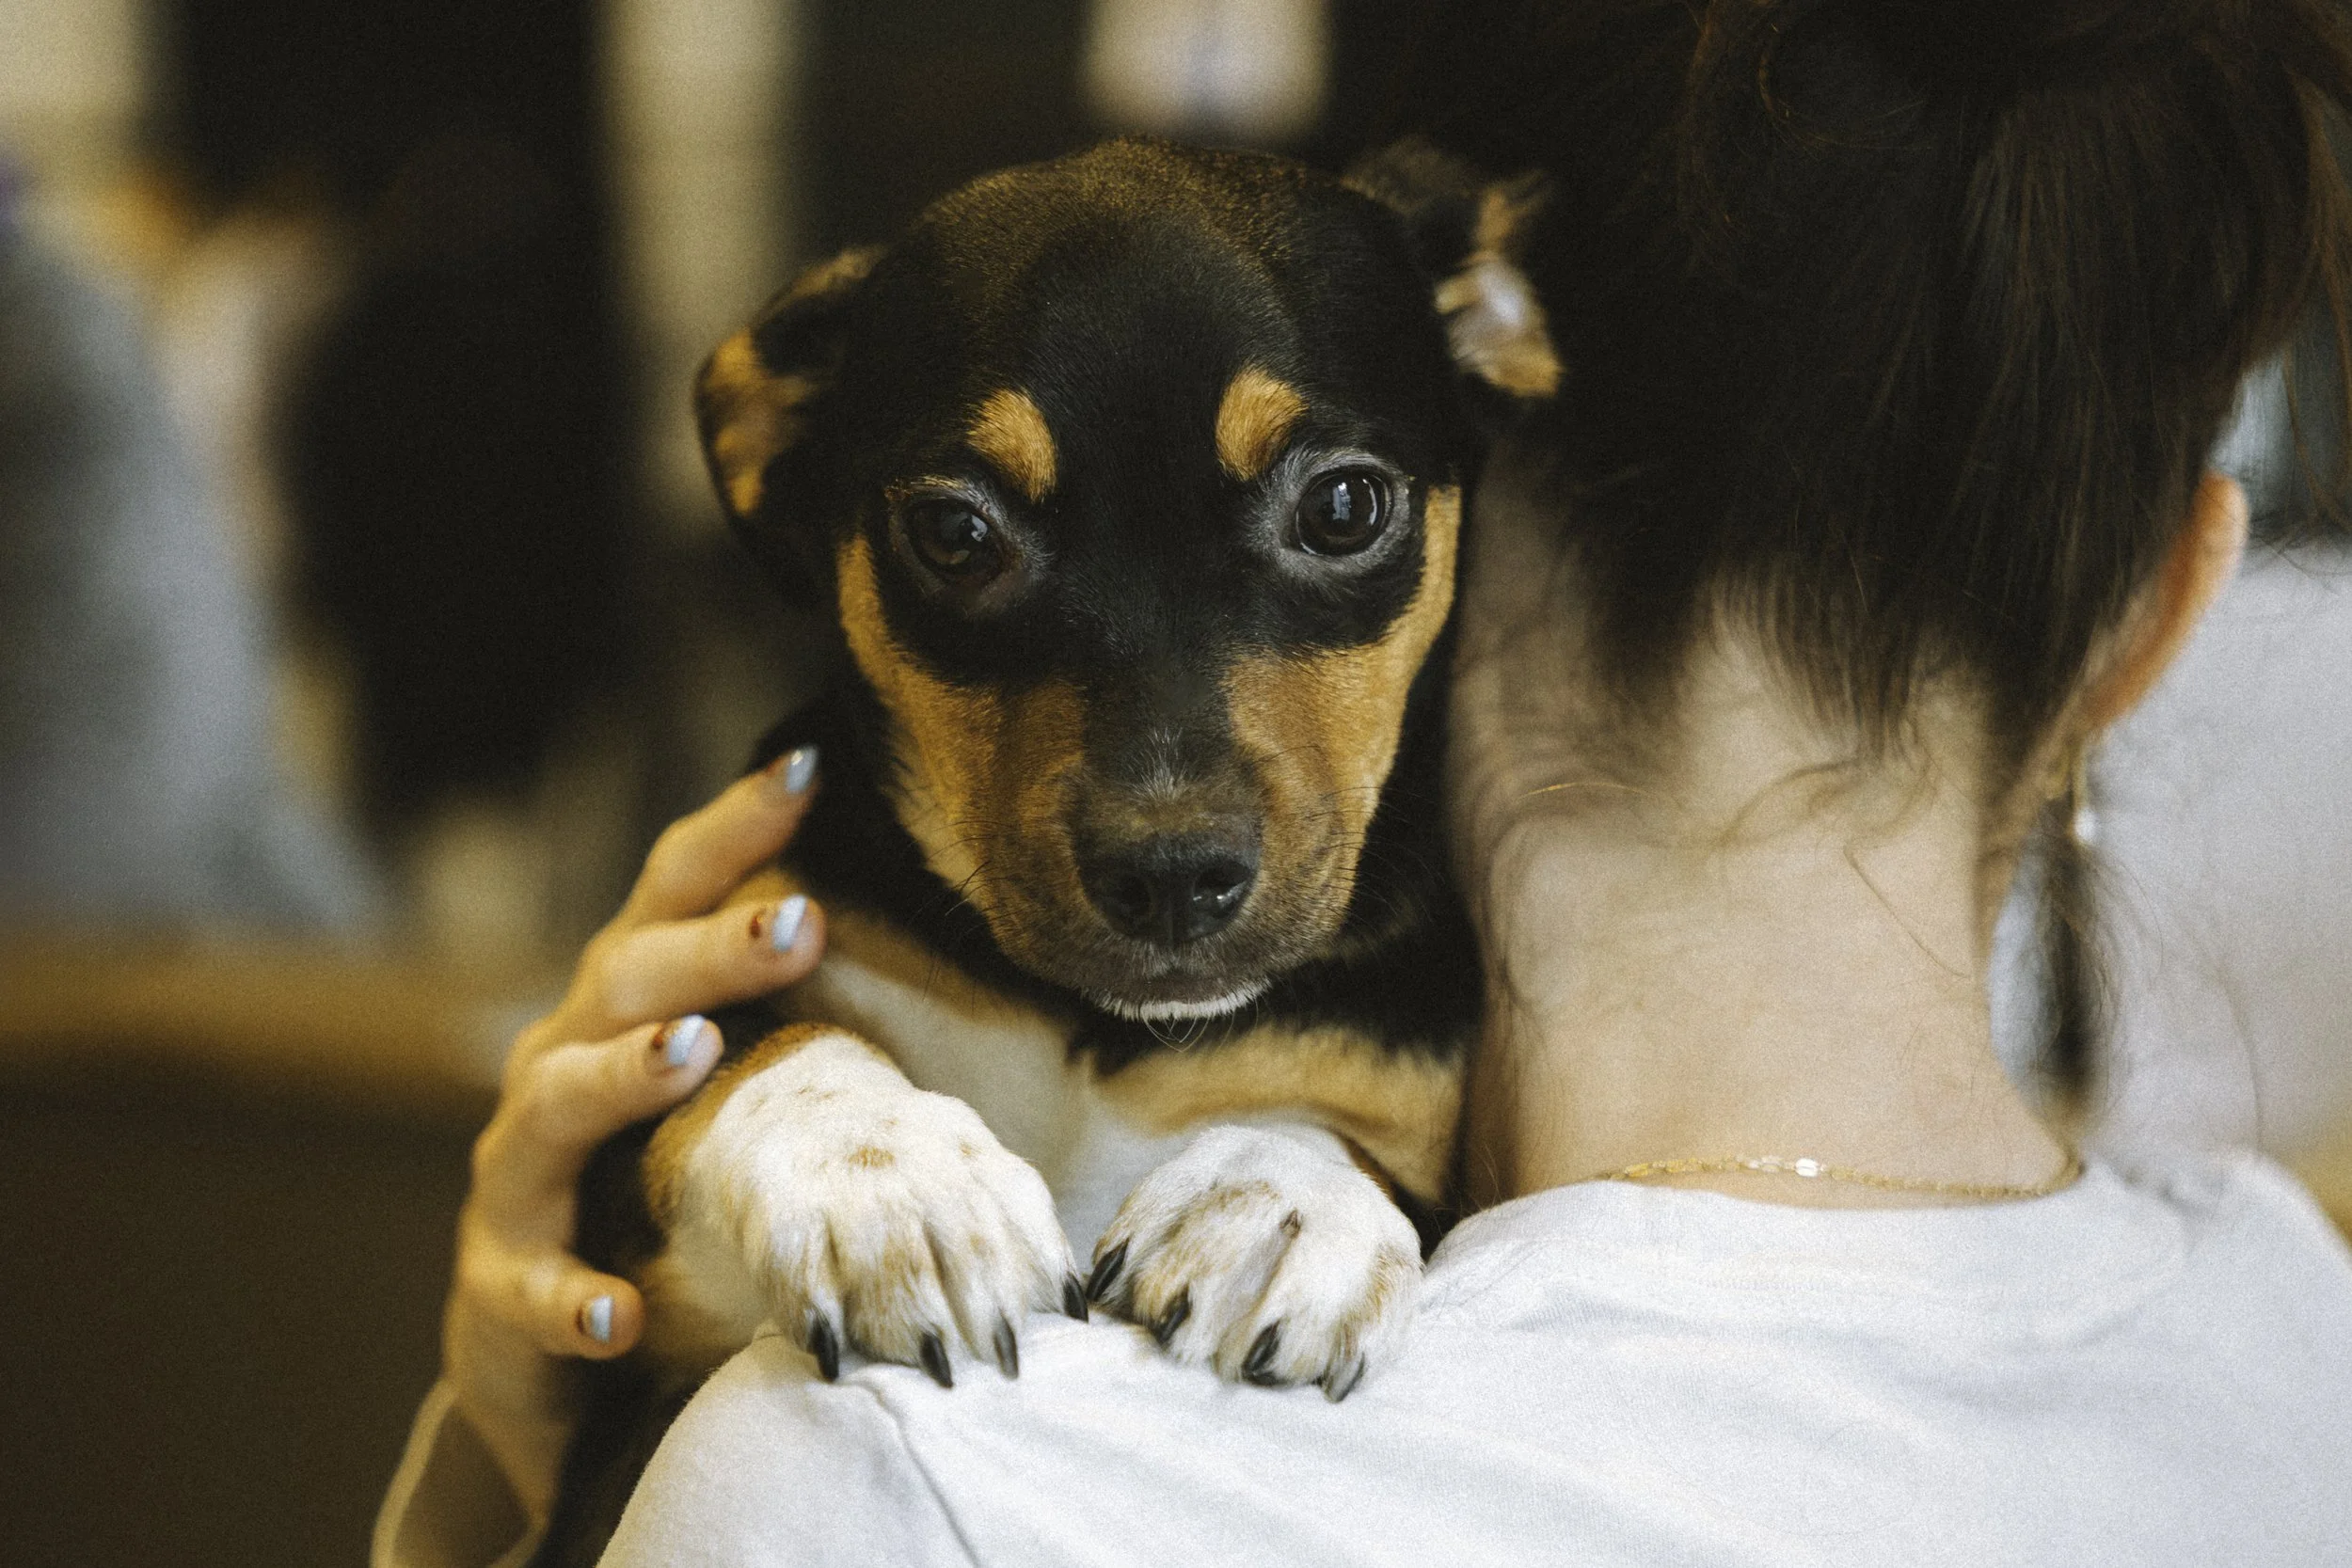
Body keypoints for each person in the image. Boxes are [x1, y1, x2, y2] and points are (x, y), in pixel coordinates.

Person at [377, 0, 2352, 1562]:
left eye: (1331, 516)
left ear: (1491, 436)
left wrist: (521, 1462)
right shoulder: (2300, 1333)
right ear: (2162, 602)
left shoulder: (901, 1464)